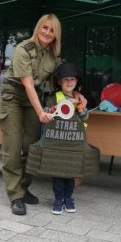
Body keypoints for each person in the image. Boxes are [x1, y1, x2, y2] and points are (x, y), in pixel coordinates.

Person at [0, 14, 62, 216]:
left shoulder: (54, 55)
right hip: (13, 97)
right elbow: (27, 84)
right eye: (45, 28)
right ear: (38, 28)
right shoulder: (23, 49)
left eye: (52, 30)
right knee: (13, 146)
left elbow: (57, 83)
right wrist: (41, 111)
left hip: (35, 99)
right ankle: (15, 195)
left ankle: (23, 187)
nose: (47, 33)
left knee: (31, 147)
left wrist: (76, 95)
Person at [45, 63, 88, 214]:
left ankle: (68, 198)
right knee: (57, 172)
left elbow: (85, 117)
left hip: (73, 142)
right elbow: (47, 114)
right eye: (66, 80)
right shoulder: (52, 98)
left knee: (70, 171)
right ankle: (58, 199)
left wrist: (80, 106)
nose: (69, 82)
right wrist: (58, 107)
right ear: (59, 82)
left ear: (77, 82)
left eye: (72, 79)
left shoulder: (79, 99)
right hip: (57, 141)